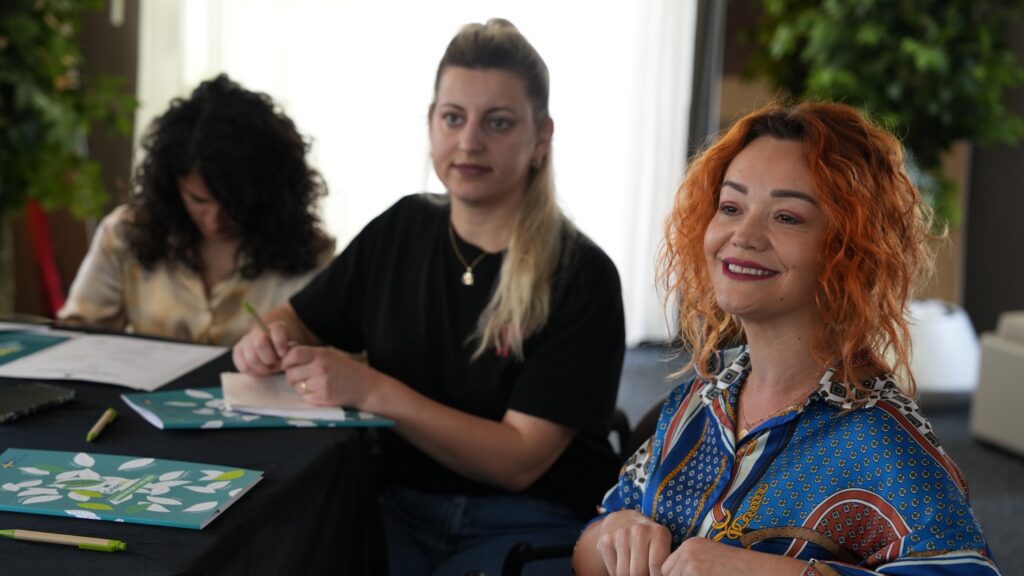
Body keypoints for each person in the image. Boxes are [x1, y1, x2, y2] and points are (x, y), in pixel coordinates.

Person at [232, 18, 626, 576]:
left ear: (541, 138)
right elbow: (296, 319)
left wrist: (372, 389)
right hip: (395, 507)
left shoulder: (583, 275)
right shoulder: (401, 228)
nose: (469, 142)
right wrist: (267, 339)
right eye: (453, 118)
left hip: (529, 521)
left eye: (498, 122)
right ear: (431, 124)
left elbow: (518, 461)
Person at [573, 102, 1001, 575]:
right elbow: (590, 540)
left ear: (847, 250)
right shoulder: (701, 395)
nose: (744, 234)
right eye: (731, 207)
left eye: (787, 217)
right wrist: (613, 533)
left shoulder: (877, 437)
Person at [58, 74, 334, 346]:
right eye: (198, 200)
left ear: (269, 193)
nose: (215, 221)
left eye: (234, 204)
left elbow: (340, 360)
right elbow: (77, 334)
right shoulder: (126, 233)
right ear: (171, 184)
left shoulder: (310, 255)